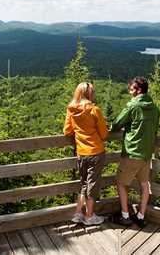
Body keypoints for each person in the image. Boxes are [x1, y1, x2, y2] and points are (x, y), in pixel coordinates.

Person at [110, 76, 160, 228]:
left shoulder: (133, 106)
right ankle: (141, 216)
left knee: (120, 183)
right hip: (146, 154)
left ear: (138, 90)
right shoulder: (155, 108)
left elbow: (116, 124)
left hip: (132, 152)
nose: (129, 91)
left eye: (131, 89)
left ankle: (125, 216)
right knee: (145, 185)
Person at [64, 82, 109, 225]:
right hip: (96, 152)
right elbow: (104, 134)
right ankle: (89, 216)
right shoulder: (94, 110)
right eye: (93, 92)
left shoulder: (71, 109)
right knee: (93, 185)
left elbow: (67, 131)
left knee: (84, 184)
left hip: (81, 152)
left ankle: (78, 213)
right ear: (89, 94)